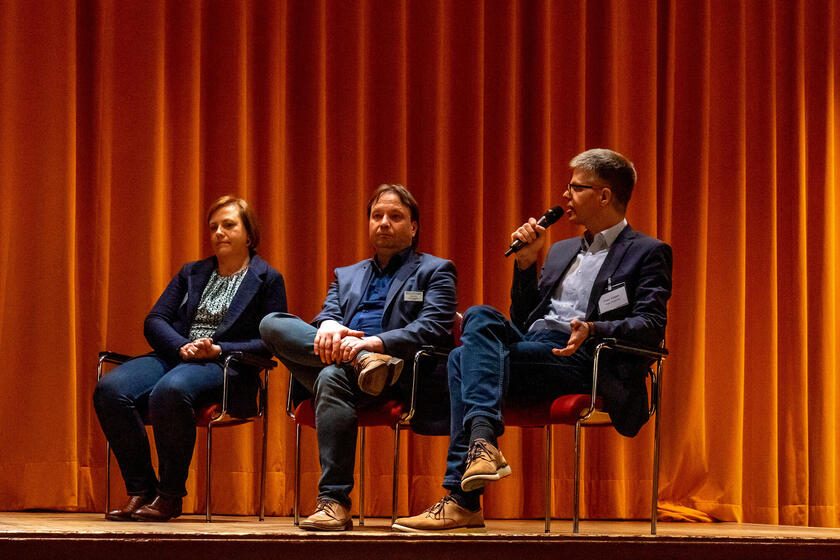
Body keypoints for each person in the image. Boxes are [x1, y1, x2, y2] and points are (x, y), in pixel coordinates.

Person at [392, 148, 673, 532]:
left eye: (576, 187)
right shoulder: (560, 250)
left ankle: (464, 497)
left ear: (604, 196)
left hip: (582, 356)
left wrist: (595, 329)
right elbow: (524, 320)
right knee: (479, 316)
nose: (565, 196)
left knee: (461, 361)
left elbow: (651, 323)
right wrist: (526, 265)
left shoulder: (647, 252)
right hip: (534, 348)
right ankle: (480, 454)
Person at [260, 184, 457, 531]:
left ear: (413, 227)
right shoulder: (346, 275)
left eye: (395, 217)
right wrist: (334, 326)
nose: (383, 223)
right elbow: (325, 318)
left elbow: (434, 328)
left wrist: (376, 344)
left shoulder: (435, 270)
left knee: (329, 376)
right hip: (352, 365)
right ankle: (357, 363)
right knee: (272, 323)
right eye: (377, 216)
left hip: (401, 372)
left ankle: (334, 502)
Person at [93, 195, 287, 522]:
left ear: (250, 235)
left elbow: (271, 340)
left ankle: (170, 496)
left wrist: (218, 350)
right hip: (177, 354)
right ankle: (142, 489)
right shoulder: (192, 273)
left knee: (170, 390)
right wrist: (182, 346)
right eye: (214, 227)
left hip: (227, 366)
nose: (219, 233)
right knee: (110, 389)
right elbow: (155, 320)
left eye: (228, 225)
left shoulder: (267, 278)